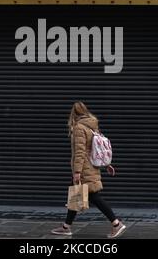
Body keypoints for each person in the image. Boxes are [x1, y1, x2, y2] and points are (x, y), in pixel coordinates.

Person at [51, 101, 126, 238]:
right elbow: (99, 148)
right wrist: (106, 164)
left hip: (84, 168)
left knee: (94, 196)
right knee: (76, 195)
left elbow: (80, 151)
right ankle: (66, 226)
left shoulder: (79, 127)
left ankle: (116, 224)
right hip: (91, 166)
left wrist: (77, 172)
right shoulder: (92, 126)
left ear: (73, 113)